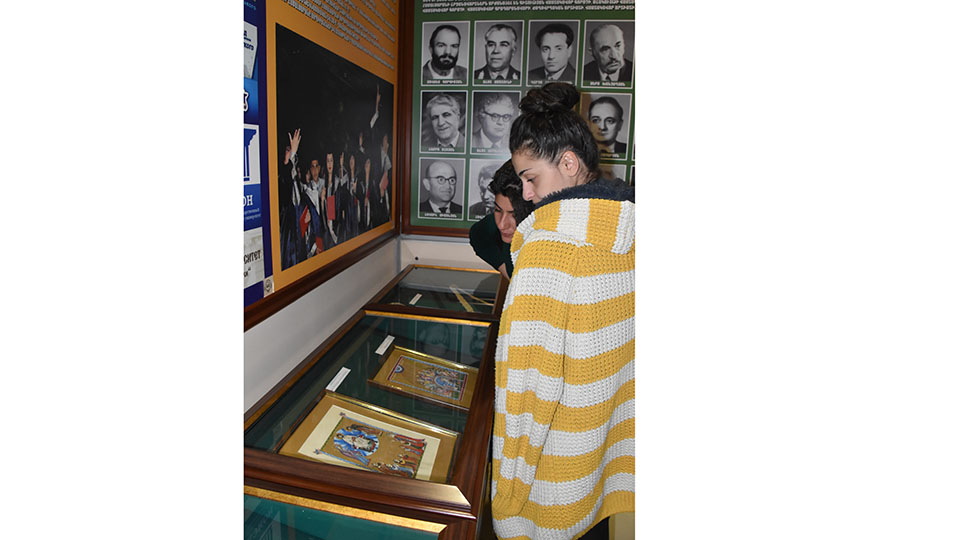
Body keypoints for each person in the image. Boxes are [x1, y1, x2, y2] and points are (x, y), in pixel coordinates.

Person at [490, 82, 635, 540]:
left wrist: (508, 497)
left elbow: (525, 389)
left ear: (568, 163)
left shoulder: (548, 250)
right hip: (606, 451)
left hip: (554, 473)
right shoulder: (629, 230)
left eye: (531, 178)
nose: (527, 193)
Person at [468, 160, 533, 280]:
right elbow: (477, 233)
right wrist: (505, 269)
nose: (502, 225)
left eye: (514, 215)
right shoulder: (495, 224)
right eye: (498, 210)